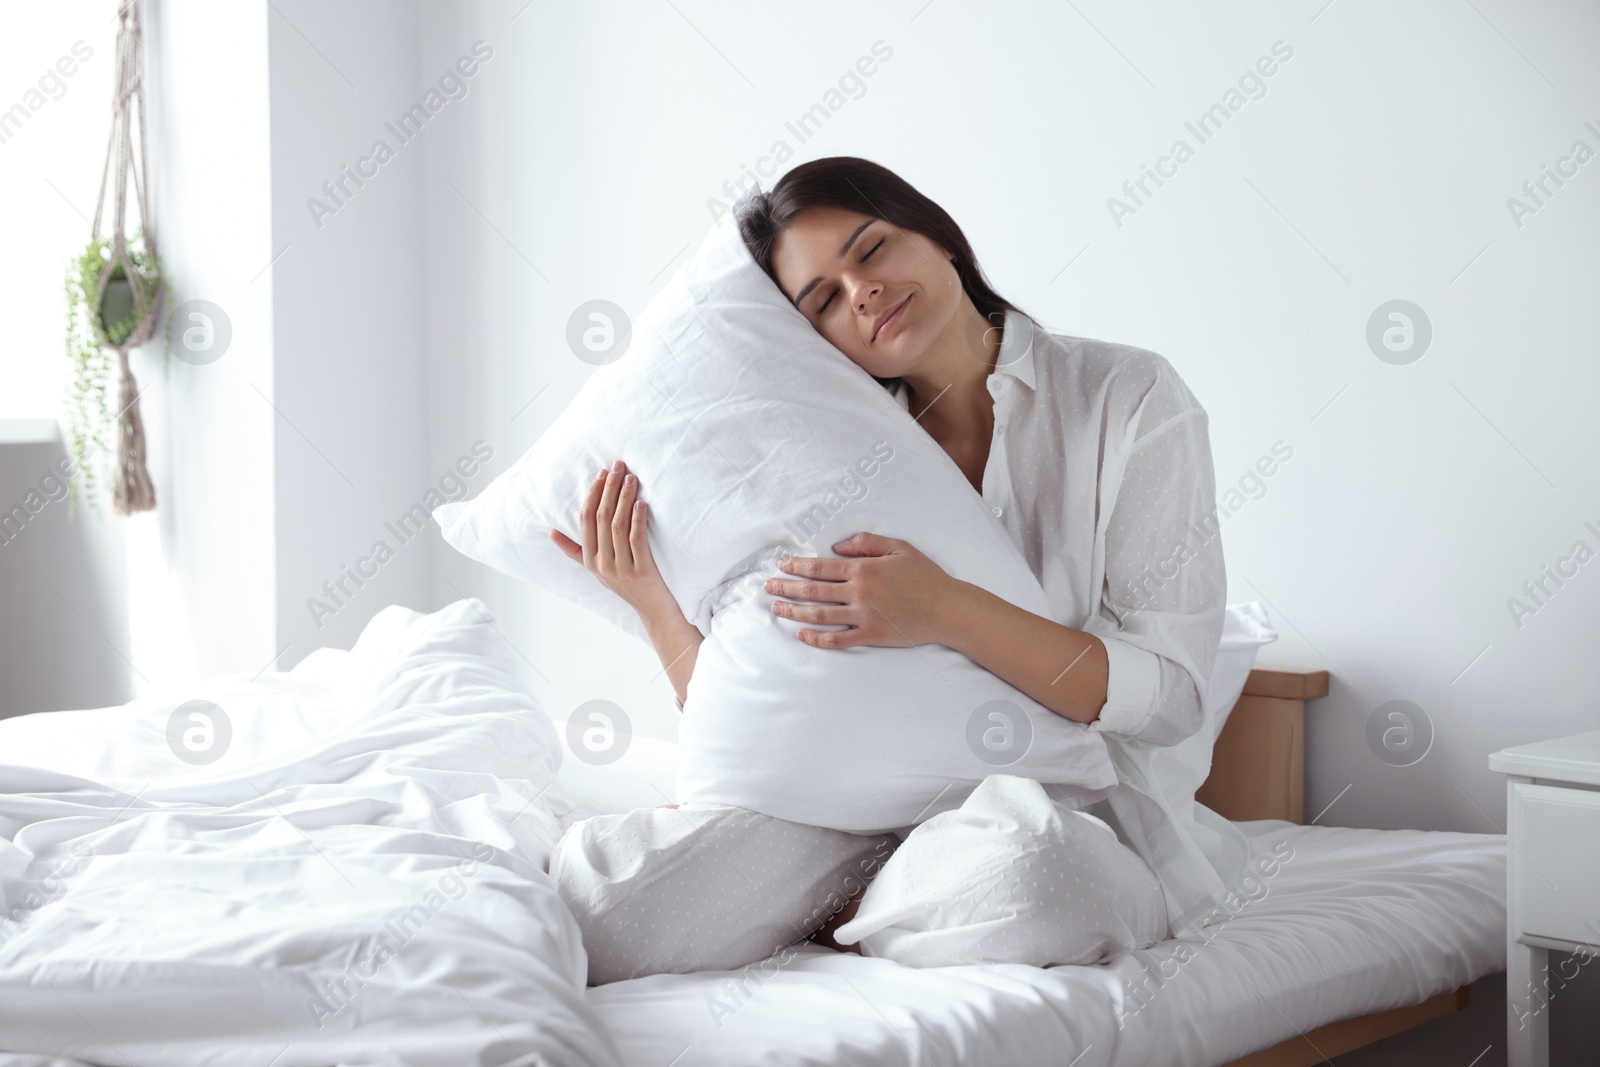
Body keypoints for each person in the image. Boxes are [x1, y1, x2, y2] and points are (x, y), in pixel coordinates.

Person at [547, 157, 1249, 984]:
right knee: (608, 910)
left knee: (1039, 881)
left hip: (1064, 810)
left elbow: (1170, 701)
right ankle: (877, 896)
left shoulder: (1127, 397)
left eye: (872, 250)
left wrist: (944, 608)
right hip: (843, 811)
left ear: (940, 238)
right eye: (824, 300)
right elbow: (771, 700)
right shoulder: (822, 455)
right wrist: (655, 607)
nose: (862, 292)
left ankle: (847, 910)